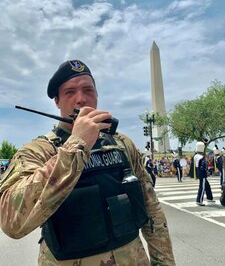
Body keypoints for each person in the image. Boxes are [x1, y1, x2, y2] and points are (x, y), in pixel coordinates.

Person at [0, 60, 175, 266]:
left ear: (97, 95)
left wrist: (164, 262)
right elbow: (12, 222)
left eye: (88, 90)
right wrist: (76, 146)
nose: (81, 99)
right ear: (57, 101)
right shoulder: (37, 152)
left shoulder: (122, 144)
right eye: (70, 92)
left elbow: (151, 208)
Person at [194, 141, 215, 206]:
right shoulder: (201, 157)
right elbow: (203, 166)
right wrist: (207, 171)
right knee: (202, 187)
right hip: (202, 172)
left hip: (198, 171)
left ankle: (209, 197)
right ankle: (199, 200)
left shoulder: (196, 156)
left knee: (207, 186)